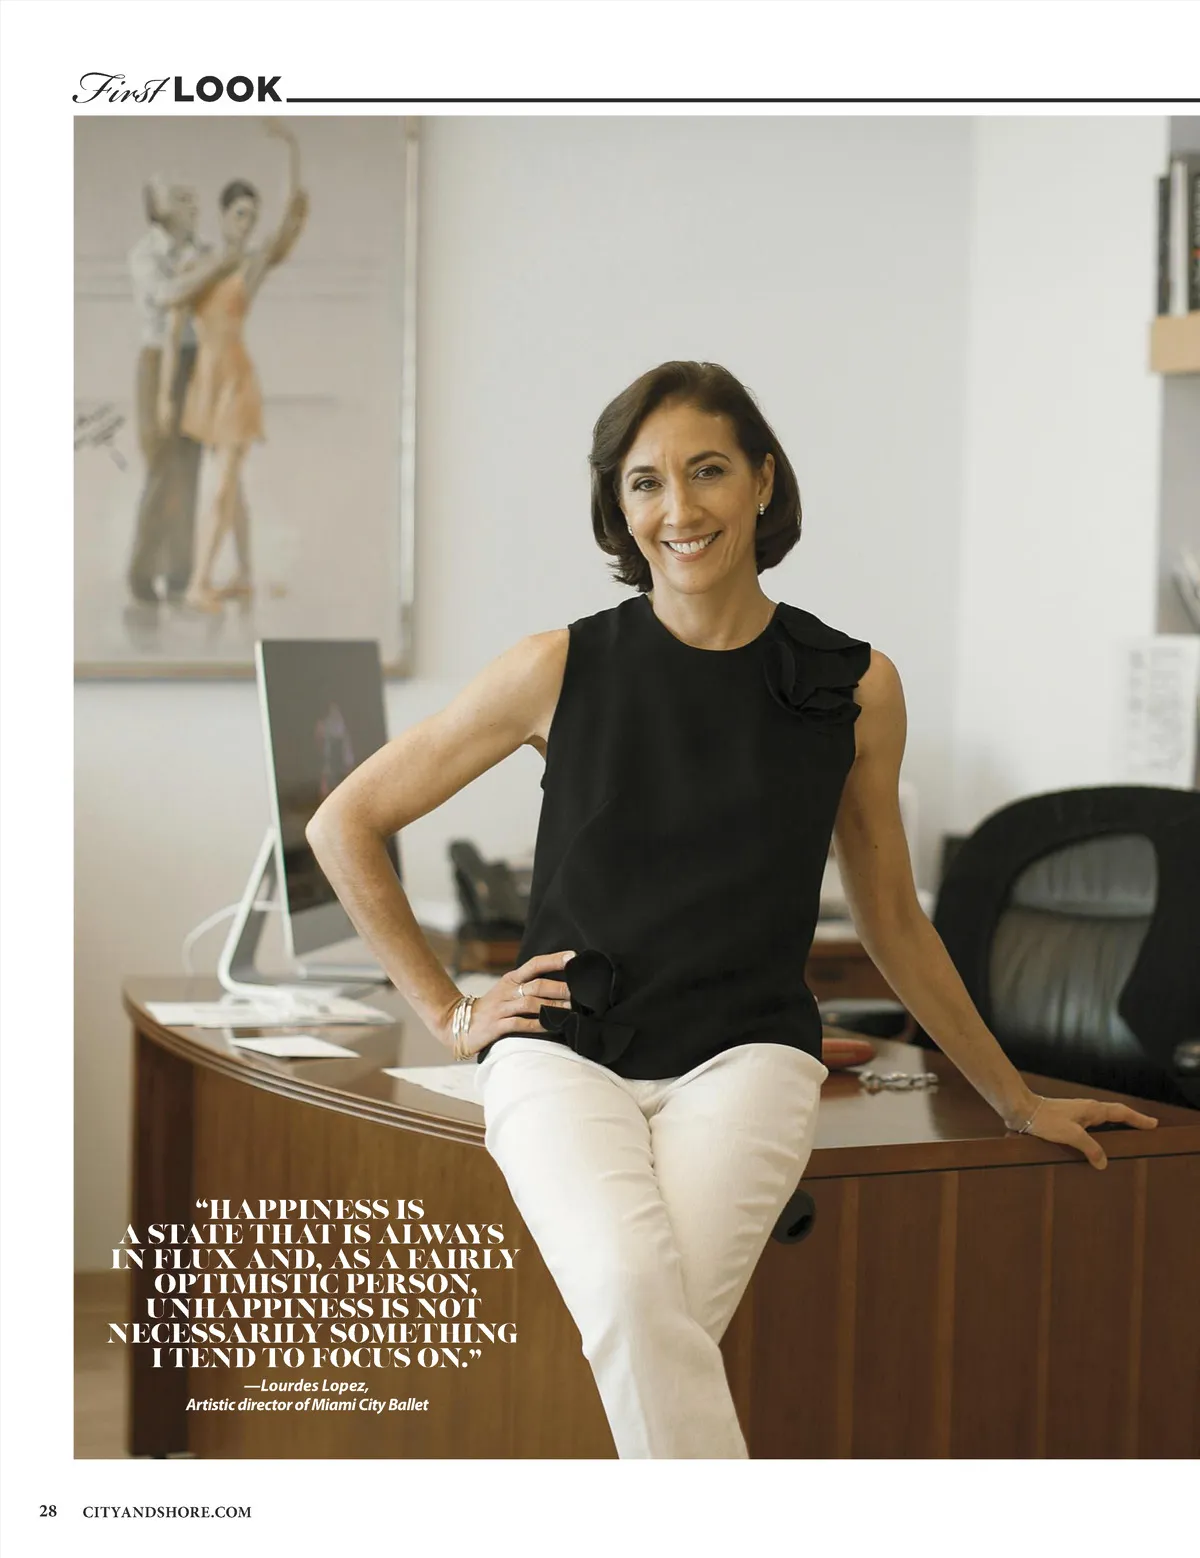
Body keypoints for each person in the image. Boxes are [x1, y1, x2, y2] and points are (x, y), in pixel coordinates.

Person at [305, 360, 1160, 1459]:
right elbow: (346, 822)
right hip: (560, 1051)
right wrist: (450, 1011)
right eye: (645, 482)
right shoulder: (556, 667)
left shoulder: (855, 686)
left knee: (650, 1325)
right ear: (620, 507)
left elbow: (892, 916)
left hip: (748, 1055)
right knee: (637, 1300)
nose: (679, 507)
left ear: (762, 480)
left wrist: (1015, 1098)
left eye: (707, 470)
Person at [163, 120, 308, 613]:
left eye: (252, 217)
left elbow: (288, 218)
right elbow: (174, 313)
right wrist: (165, 391)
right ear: (224, 216)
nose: (246, 224)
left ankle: (199, 581)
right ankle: (243, 574)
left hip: (235, 380)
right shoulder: (203, 264)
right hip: (206, 379)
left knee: (224, 482)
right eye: (240, 214)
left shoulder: (251, 265)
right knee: (233, 484)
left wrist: (291, 148)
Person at [125, 178, 240, 604]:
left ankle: (179, 573)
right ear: (159, 209)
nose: (192, 202)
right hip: (158, 362)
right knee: (161, 464)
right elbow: (167, 295)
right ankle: (141, 572)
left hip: (197, 360)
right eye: (179, 197)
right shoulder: (145, 254)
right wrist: (211, 269)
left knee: (190, 465)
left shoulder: (202, 250)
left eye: (191, 196)